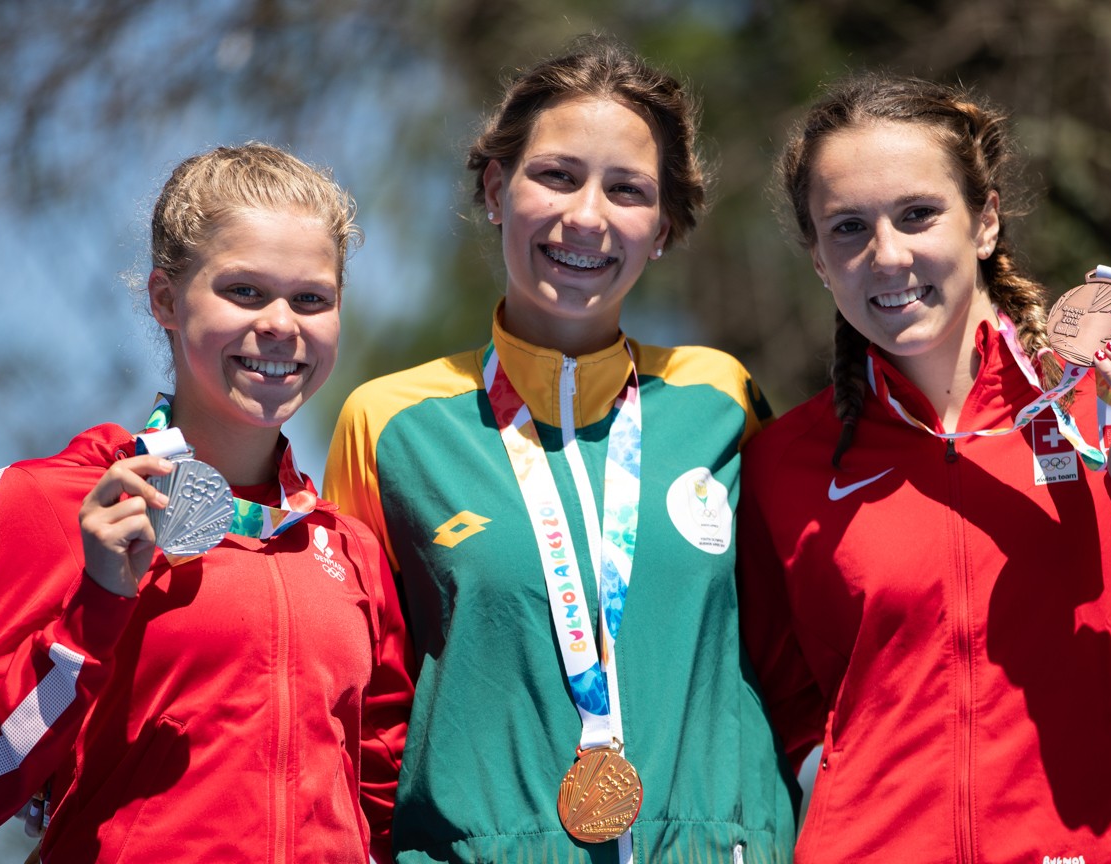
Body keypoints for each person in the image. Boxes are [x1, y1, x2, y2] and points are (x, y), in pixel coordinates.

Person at [736, 73, 1111, 863]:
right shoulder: (784, 466)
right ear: (818, 259)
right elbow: (787, 713)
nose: (886, 255)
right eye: (848, 228)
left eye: (918, 214)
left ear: (984, 221)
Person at [323, 36, 798, 864]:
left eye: (627, 191)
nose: (588, 216)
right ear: (496, 188)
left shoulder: (720, 400)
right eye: (557, 175)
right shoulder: (390, 422)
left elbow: (796, 655)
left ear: (663, 228)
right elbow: (356, 699)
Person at [0, 143, 412, 863]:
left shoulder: (347, 548)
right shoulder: (49, 502)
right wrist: (91, 612)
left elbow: (383, 810)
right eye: (243, 291)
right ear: (165, 299)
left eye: (311, 298)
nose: (280, 324)